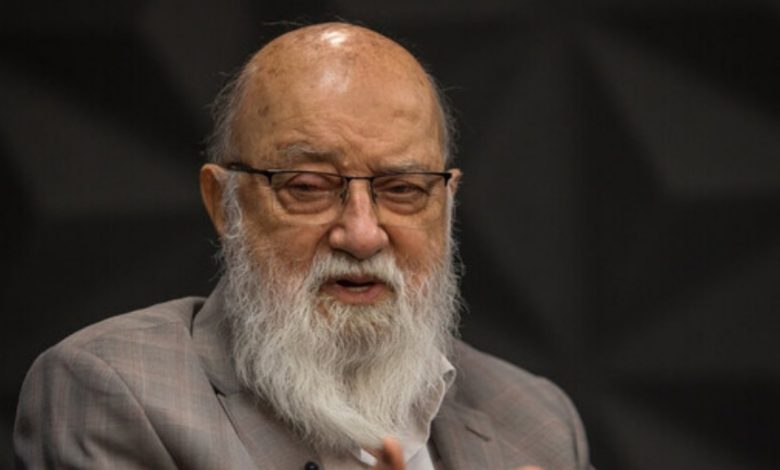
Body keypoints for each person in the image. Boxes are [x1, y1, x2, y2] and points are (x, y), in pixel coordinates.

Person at [14, 22, 594, 470]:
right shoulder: (114, 389)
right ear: (224, 203)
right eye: (308, 187)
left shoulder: (538, 420)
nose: (362, 234)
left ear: (446, 203)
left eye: (403, 189)